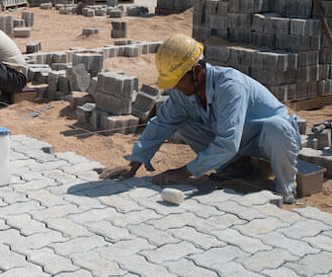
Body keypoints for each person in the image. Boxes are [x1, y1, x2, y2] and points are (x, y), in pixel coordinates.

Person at [99, 34, 301, 204]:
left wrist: (184, 172)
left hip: (269, 140)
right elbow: (162, 123)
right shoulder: (183, 93)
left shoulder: (230, 86)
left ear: (197, 71)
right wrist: (134, 163)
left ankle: (286, 190)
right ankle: (237, 167)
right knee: (183, 123)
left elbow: (228, 142)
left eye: (177, 81)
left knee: (277, 127)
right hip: (241, 143)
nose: (174, 87)